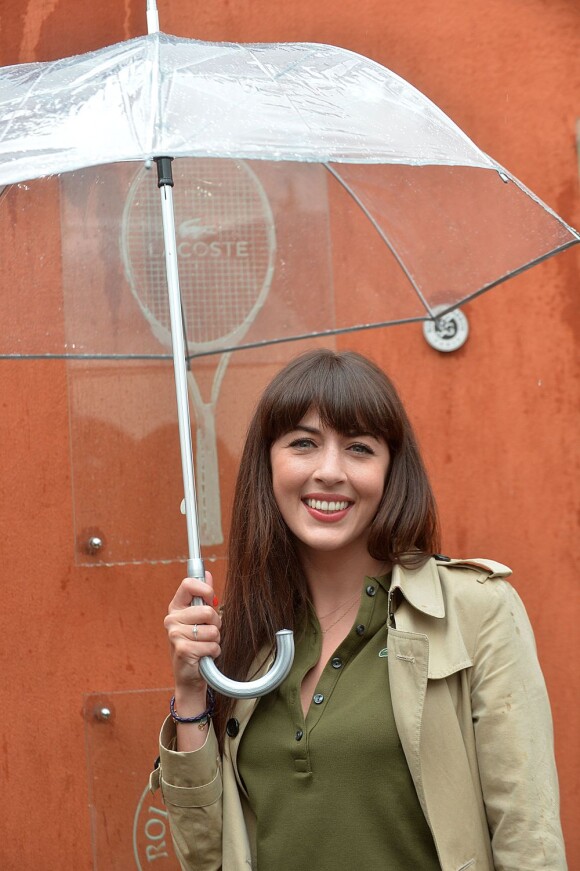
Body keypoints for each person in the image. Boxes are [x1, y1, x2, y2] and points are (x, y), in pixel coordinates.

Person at [150, 348, 566, 871]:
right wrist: (191, 692)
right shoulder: (238, 636)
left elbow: (529, 838)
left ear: (392, 469)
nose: (330, 472)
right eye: (303, 443)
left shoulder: (476, 610)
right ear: (268, 463)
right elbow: (207, 855)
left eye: (359, 448)